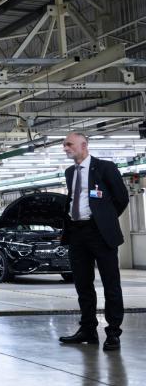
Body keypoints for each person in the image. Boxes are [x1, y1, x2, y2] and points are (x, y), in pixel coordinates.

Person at [58, 131, 129, 352]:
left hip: (100, 233)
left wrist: (104, 220)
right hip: (77, 233)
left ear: (83, 145)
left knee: (111, 284)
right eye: (64, 145)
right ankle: (88, 329)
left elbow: (121, 198)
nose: (65, 148)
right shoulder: (70, 172)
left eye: (69, 144)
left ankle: (113, 333)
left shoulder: (105, 168)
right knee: (83, 284)